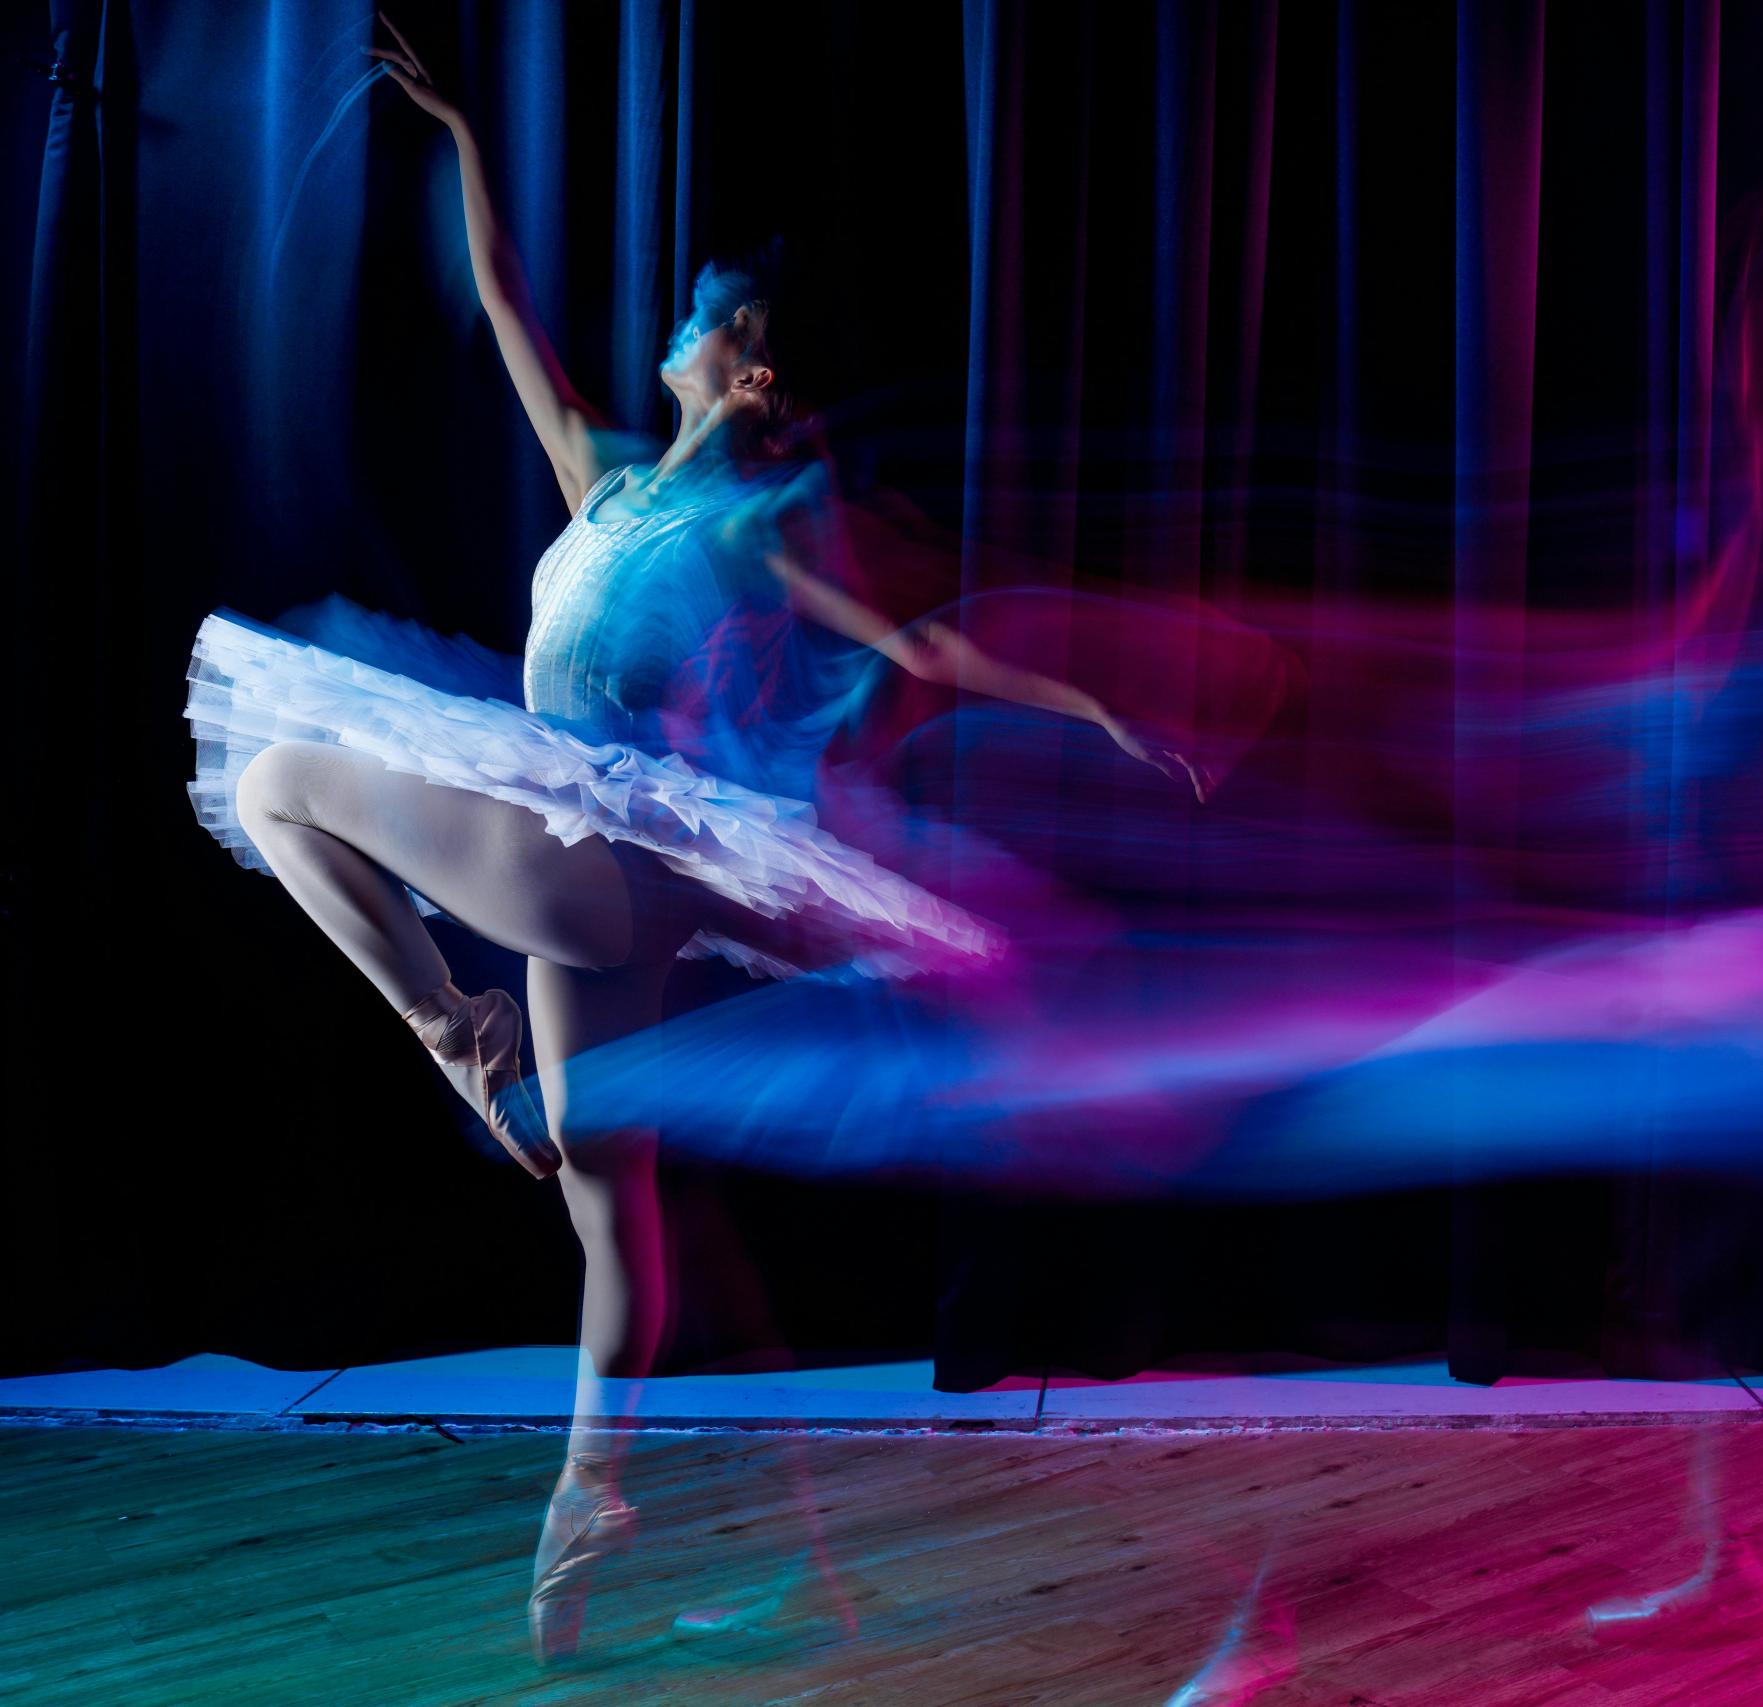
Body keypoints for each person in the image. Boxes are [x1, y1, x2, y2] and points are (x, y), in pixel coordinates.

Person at [180, 16, 1199, 1660]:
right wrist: (465, 140)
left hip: (599, 848)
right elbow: (505, 305)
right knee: (606, 1194)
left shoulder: (757, 520)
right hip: (601, 868)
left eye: (702, 316)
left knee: (283, 775)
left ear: (747, 366)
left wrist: (1094, 709)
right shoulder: (603, 479)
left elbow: (926, 645)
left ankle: (454, 1030)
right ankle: (590, 1494)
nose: (673, 328)